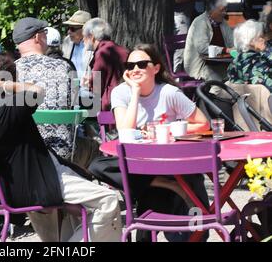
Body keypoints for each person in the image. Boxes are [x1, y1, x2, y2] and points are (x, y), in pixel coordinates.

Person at [0, 54, 122, 242]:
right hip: (38, 184)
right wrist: (7, 86)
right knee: (108, 200)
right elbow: (38, 91)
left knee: (79, 204)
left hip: (6, 189)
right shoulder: (8, 108)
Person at [88, 43, 210, 242]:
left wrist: (171, 131)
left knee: (153, 209)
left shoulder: (169, 92)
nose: (135, 69)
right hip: (139, 164)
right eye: (130, 66)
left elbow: (203, 124)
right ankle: (168, 185)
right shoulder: (122, 93)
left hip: (168, 163)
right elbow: (125, 132)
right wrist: (135, 93)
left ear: (156, 68)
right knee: (97, 165)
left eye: (142, 64)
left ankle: (169, 187)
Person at [14, 17, 75, 160]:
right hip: (61, 150)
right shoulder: (63, 66)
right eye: (45, 32)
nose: (47, 36)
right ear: (37, 37)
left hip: (25, 151)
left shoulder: (10, 70)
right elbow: (71, 104)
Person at [81, 17, 129, 111]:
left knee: (105, 125)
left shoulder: (102, 53)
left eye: (84, 36)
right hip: (127, 102)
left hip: (109, 106)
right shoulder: (121, 49)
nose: (83, 40)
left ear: (92, 37)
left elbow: (97, 88)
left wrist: (89, 83)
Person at [184, 0, 234, 82]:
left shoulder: (223, 22)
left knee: (236, 75)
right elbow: (202, 48)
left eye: (226, 10)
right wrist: (225, 50)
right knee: (216, 80)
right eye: (222, 10)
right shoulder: (200, 22)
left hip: (220, 64)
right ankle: (213, 95)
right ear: (212, 11)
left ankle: (227, 95)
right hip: (202, 65)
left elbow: (232, 41)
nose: (225, 13)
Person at [228, 20, 272, 92]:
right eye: (261, 36)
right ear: (250, 41)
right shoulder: (255, 61)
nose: (264, 39)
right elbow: (265, 84)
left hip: (243, 101)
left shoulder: (239, 57)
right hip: (261, 101)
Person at [62, 10, 92, 86]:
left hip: (87, 89)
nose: (69, 32)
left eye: (73, 29)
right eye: (68, 28)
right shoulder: (67, 41)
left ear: (85, 29)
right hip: (72, 87)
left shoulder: (93, 45)